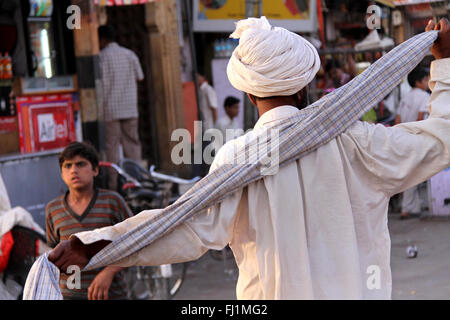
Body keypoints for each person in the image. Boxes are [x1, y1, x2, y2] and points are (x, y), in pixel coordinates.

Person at [48, 18, 450, 300]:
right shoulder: (358, 142)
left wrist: (99, 245)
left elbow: (183, 227)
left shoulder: (236, 159)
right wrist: (443, 64)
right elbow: (440, 140)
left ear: (250, 94)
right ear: (304, 87)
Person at [45, 142, 132, 300]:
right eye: (68, 166)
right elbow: (52, 254)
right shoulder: (53, 209)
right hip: (69, 296)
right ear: (62, 174)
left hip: (111, 294)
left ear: (95, 170)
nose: (73, 170)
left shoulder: (112, 202)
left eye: (80, 164)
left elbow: (135, 242)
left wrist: (109, 271)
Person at [98, 25, 144, 191]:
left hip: (110, 110)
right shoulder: (129, 54)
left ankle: (114, 186)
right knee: (132, 146)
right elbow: (140, 77)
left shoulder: (101, 57)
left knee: (112, 149)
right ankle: (137, 183)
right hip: (130, 108)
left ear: (102, 39)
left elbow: (99, 84)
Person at [394, 67, 431, 219]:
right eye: (426, 80)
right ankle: (407, 208)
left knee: (409, 173)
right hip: (417, 138)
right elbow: (420, 118)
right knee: (418, 173)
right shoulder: (424, 96)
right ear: (418, 82)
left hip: (403, 137)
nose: (428, 82)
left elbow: (397, 118)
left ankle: (413, 207)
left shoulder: (405, 97)